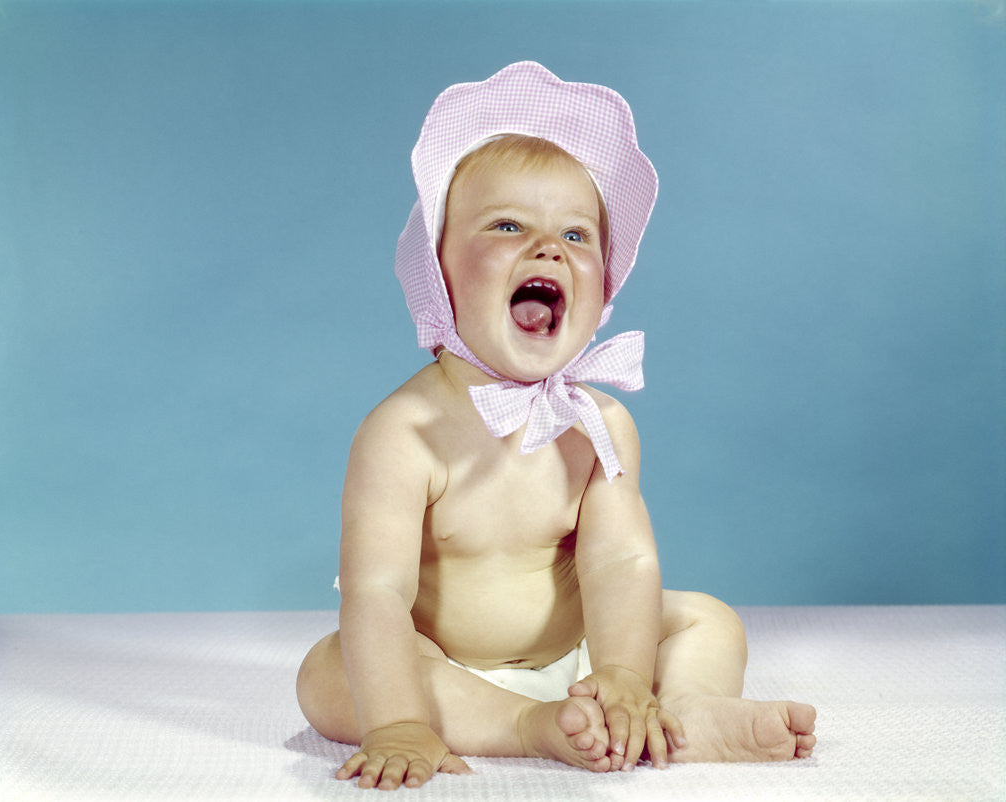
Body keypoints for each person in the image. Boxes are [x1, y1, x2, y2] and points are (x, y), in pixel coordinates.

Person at [296, 62, 816, 791]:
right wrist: (398, 723)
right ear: (437, 274)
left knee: (706, 618)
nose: (548, 248)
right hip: (445, 669)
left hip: (585, 658)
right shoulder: (403, 432)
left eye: (576, 234)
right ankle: (524, 727)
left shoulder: (599, 425)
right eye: (507, 225)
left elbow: (620, 565)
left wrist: (624, 675)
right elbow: (377, 593)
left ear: (602, 288)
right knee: (327, 672)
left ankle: (679, 713)